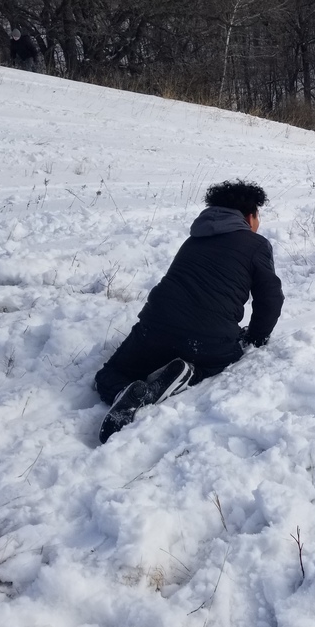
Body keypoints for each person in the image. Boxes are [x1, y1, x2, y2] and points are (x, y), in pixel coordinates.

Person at [94, 180, 284, 443]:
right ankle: (188, 374)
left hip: (154, 328)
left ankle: (126, 392)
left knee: (107, 375)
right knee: (218, 357)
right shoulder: (256, 245)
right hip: (209, 341)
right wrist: (256, 336)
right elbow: (270, 298)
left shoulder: (193, 240)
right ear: (250, 216)